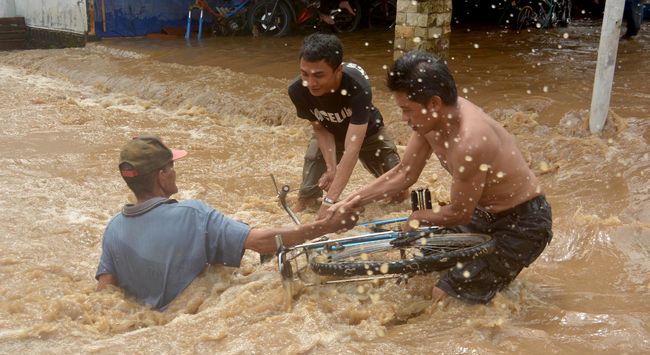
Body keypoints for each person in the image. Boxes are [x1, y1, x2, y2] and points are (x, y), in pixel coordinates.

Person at [330, 51, 553, 304]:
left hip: (523, 223)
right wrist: (353, 201)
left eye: (407, 110)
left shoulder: (470, 141)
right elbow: (404, 173)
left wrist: (419, 217)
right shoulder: (430, 121)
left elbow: (460, 213)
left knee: (444, 296)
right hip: (484, 212)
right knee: (423, 262)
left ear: (434, 103)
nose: (404, 119)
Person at [95, 135, 362, 310]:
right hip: (191, 321)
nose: (175, 171)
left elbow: (105, 295)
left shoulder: (114, 229)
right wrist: (327, 226)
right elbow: (262, 242)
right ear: (162, 176)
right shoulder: (193, 214)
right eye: (171, 167)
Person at [288, 33, 402, 218]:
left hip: (368, 133)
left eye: (318, 75)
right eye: (304, 74)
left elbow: (352, 149)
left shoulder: (357, 86)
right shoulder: (297, 90)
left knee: (398, 192)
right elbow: (319, 129)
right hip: (329, 131)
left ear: (338, 70)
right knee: (306, 199)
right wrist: (332, 168)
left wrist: (330, 201)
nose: (310, 83)